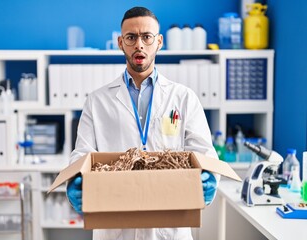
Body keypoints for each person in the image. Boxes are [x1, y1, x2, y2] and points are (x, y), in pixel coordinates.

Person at [67, 6, 219, 240]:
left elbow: (204, 152)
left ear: (159, 42)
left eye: (147, 37)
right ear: (120, 42)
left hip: (169, 225)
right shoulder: (97, 101)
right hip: (116, 226)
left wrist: (208, 177)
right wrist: (76, 178)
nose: (139, 45)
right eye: (131, 37)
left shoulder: (183, 97)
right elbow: (83, 153)